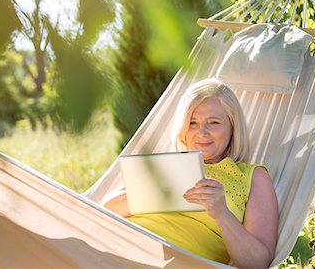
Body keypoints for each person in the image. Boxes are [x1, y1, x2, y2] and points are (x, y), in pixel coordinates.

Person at [105, 78, 279, 269]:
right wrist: (154, 191)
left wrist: (222, 214)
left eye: (213, 122)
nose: (202, 132)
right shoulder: (166, 163)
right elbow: (103, 212)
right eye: (192, 123)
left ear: (232, 127)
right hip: (118, 245)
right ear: (183, 129)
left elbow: (258, 262)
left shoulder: (252, 177)